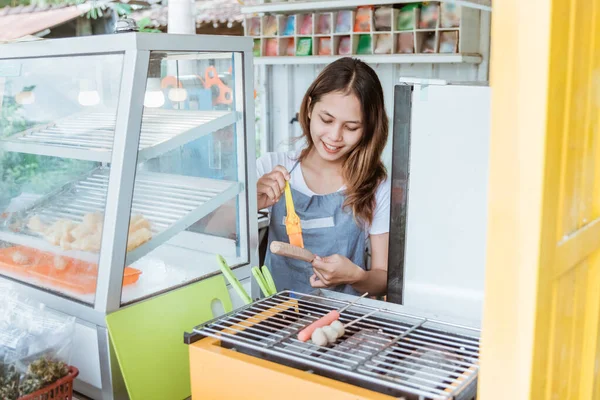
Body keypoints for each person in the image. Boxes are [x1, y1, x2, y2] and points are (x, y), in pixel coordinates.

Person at [257, 57, 390, 296]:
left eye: (351, 127)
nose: (335, 136)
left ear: (369, 128)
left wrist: (357, 276)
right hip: (272, 317)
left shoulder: (376, 186)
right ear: (309, 109)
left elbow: (382, 279)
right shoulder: (271, 166)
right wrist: (250, 203)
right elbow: (216, 233)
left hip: (341, 322)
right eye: (326, 120)